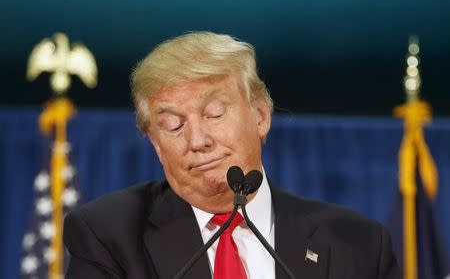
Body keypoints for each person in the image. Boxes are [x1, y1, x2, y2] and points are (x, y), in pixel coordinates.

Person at [63, 32, 400, 278]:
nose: (198, 140)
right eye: (173, 125)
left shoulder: (358, 246)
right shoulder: (108, 236)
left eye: (214, 113)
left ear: (261, 116)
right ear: (155, 145)